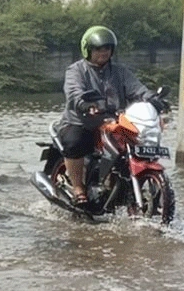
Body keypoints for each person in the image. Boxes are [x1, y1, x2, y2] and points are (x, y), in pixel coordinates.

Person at [59, 25, 160, 207]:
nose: (103, 52)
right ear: (88, 50)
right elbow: (74, 93)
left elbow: (137, 89)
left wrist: (152, 98)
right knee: (74, 142)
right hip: (82, 121)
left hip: (113, 121)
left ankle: (117, 186)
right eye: (98, 48)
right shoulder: (76, 70)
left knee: (132, 145)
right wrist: (85, 103)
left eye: (107, 48)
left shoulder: (120, 71)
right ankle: (78, 189)